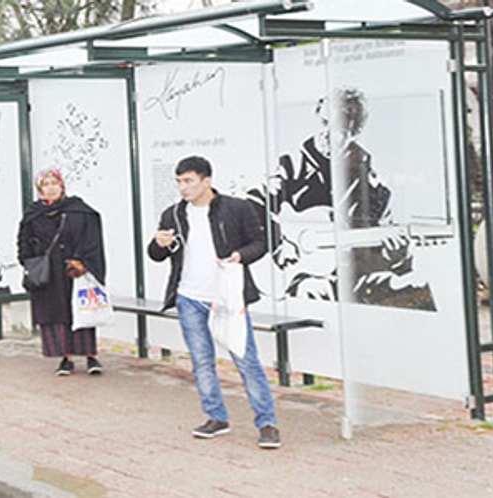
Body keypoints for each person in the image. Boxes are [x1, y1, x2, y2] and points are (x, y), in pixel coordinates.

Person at [250, 87, 436, 310]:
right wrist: (279, 243)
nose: (327, 133)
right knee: (313, 292)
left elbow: (380, 251)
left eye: (337, 127)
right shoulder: (291, 165)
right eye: (324, 123)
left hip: (354, 280)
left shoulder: (372, 186)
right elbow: (253, 204)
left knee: (418, 291)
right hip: (304, 279)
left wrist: (398, 259)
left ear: (354, 133)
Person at [148, 156, 281, 449]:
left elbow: (260, 243)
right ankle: (216, 417)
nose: (183, 187)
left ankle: (267, 423)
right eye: (179, 181)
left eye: (188, 181)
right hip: (188, 298)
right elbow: (157, 255)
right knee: (201, 362)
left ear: (206, 181)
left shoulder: (236, 208)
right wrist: (158, 244)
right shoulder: (173, 214)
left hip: (227, 298)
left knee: (246, 361)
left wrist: (239, 256)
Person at [17, 169, 106, 376]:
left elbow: (92, 238)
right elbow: (23, 241)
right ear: (40, 189)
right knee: (57, 314)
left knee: (81, 310)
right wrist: (30, 263)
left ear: (62, 185)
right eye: (45, 184)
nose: (51, 188)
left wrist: (84, 262)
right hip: (50, 274)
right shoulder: (33, 213)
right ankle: (65, 358)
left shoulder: (79, 210)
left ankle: (91, 356)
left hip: (75, 270)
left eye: (54, 183)